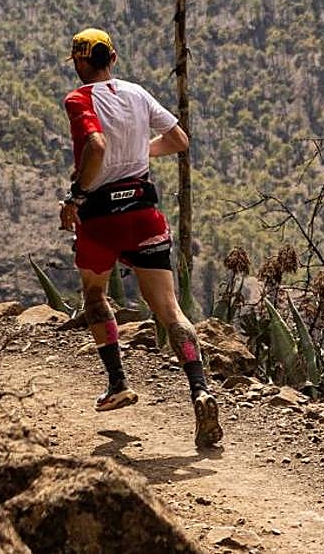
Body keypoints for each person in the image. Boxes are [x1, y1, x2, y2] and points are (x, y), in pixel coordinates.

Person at [59, 27, 223, 448]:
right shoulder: (137, 93)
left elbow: (95, 147)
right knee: (170, 310)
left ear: (80, 62)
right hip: (144, 212)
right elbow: (179, 140)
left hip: (101, 218)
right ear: (112, 57)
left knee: (95, 296)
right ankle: (200, 389)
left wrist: (76, 197)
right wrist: (136, 150)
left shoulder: (79, 99)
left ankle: (117, 382)